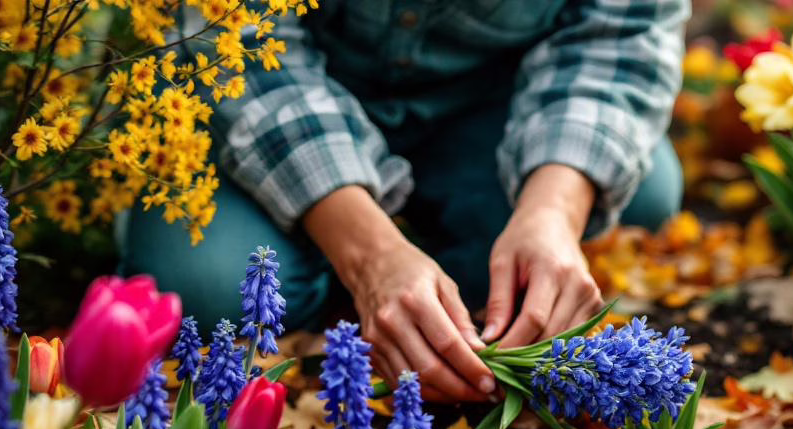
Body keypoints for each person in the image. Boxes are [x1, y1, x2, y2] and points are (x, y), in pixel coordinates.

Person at [121, 0, 689, 401]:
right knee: (213, 284)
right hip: (283, 106)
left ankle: (411, 290)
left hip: (481, 111)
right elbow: (236, 50)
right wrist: (369, 255)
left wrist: (552, 213)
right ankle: (372, 270)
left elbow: (622, 38)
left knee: (644, 190)